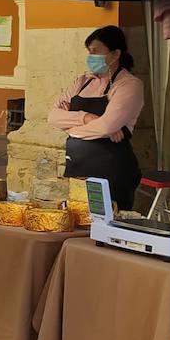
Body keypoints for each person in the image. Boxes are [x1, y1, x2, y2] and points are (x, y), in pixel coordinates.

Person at [48, 25, 144, 211]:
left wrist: (70, 127)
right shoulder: (82, 82)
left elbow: (106, 126)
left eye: (96, 51)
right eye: (89, 51)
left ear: (115, 54)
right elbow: (53, 117)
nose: (91, 56)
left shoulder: (129, 85)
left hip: (111, 168)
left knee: (108, 223)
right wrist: (88, 118)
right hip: (77, 166)